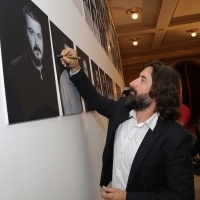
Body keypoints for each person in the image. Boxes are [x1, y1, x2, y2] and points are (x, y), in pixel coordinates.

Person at [60, 47, 194, 200]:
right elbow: (93, 98)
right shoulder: (121, 109)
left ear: (158, 93)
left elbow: (182, 196)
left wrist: (128, 197)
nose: (132, 82)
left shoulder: (175, 137)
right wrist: (75, 67)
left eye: (142, 79)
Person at [6, 4, 59, 123]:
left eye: (39, 36)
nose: (36, 43)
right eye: (31, 32)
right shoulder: (15, 70)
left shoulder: (52, 71)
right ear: (25, 31)